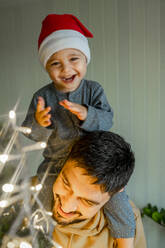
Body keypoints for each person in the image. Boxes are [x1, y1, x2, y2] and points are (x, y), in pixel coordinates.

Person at [21, 14, 135, 247]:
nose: (66, 68)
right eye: (56, 63)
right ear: (47, 67)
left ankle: (126, 242)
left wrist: (87, 113)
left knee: (118, 201)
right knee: (41, 199)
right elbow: (30, 133)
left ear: (85, 60)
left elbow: (107, 119)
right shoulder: (42, 97)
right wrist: (41, 124)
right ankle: (36, 239)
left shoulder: (93, 90)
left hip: (90, 163)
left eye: (74, 59)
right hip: (55, 162)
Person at [34, 130, 146, 247]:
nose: (66, 207)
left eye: (87, 201)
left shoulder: (129, 223)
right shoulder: (23, 194)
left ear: (116, 193)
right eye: (66, 183)